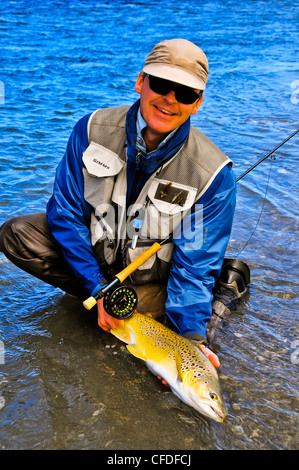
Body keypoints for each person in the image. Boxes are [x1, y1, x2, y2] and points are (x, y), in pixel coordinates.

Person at [0, 39, 237, 373]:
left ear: (196, 104)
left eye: (184, 93)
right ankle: (111, 304)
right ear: (141, 82)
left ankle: (213, 295)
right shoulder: (90, 129)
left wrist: (191, 342)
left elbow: (194, 265)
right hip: (98, 269)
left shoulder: (213, 175)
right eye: (162, 84)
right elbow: (65, 214)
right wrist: (99, 290)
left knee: (181, 323)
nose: (170, 99)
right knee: (17, 234)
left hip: (154, 281)